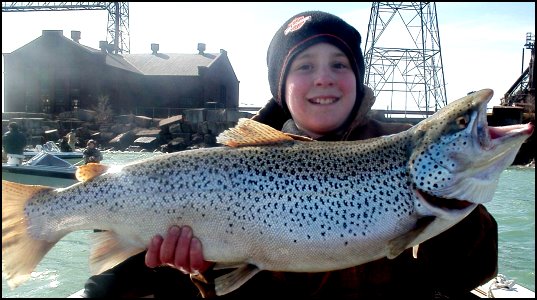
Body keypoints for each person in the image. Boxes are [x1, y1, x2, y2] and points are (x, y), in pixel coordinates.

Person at [82, 11, 497, 299]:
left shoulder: (402, 149)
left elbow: (473, 272)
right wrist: (200, 270)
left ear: (357, 77)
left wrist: (455, 208)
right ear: (281, 88)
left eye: (339, 64)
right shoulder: (236, 161)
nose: (323, 78)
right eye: (303, 67)